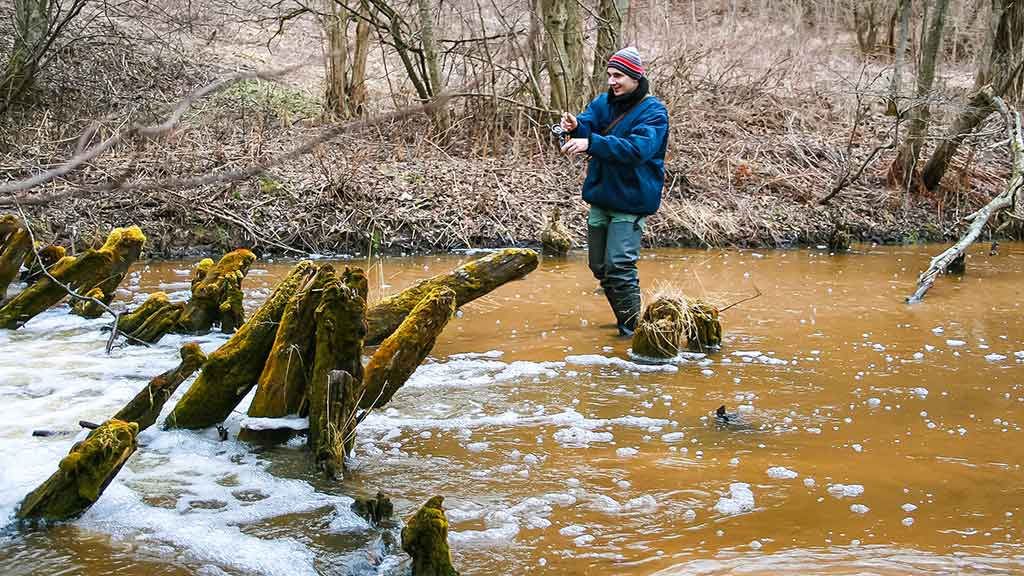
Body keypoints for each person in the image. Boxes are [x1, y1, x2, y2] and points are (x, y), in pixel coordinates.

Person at [559, 46, 670, 337]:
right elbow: (588, 124)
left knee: (619, 266)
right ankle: (629, 319)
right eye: (609, 75)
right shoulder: (603, 102)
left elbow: (637, 150)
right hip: (602, 196)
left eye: (618, 76)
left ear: (635, 77)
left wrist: (591, 143)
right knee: (600, 267)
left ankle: (635, 332)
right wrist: (576, 126)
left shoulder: (655, 113)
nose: (612, 81)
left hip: (631, 200)